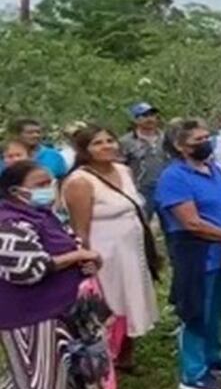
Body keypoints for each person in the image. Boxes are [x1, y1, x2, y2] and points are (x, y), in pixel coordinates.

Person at [0, 160, 102, 389]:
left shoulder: (41, 214)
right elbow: (28, 269)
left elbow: (67, 244)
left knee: (47, 371)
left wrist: (84, 261)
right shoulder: (8, 222)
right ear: (16, 190)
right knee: (33, 377)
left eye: (49, 181)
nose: (49, 188)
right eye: (40, 184)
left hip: (55, 307)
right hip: (27, 313)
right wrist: (76, 256)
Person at [155, 119, 221, 389]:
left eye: (207, 136)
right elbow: (191, 223)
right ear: (180, 146)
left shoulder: (213, 168)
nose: (206, 142)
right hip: (197, 252)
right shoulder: (174, 177)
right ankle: (193, 372)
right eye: (198, 139)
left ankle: (215, 356)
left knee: (216, 307)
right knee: (195, 310)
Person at [62, 126, 159, 373]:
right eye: (97, 143)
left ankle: (126, 356)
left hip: (132, 248)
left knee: (132, 299)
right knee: (109, 304)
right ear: (85, 150)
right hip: (104, 253)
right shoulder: (80, 181)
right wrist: (85, 260)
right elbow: (79, 229)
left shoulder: (124, 170)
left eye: (109, 140)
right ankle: (102, 363)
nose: (106, 146)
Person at [119, 102, 169, 217]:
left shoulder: (167, 138)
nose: (150, 119)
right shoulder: (125, 142)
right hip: (141, 189)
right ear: (135, 119)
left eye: (152, 115)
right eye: (145, 116)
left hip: (167, 187)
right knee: (144, 221)